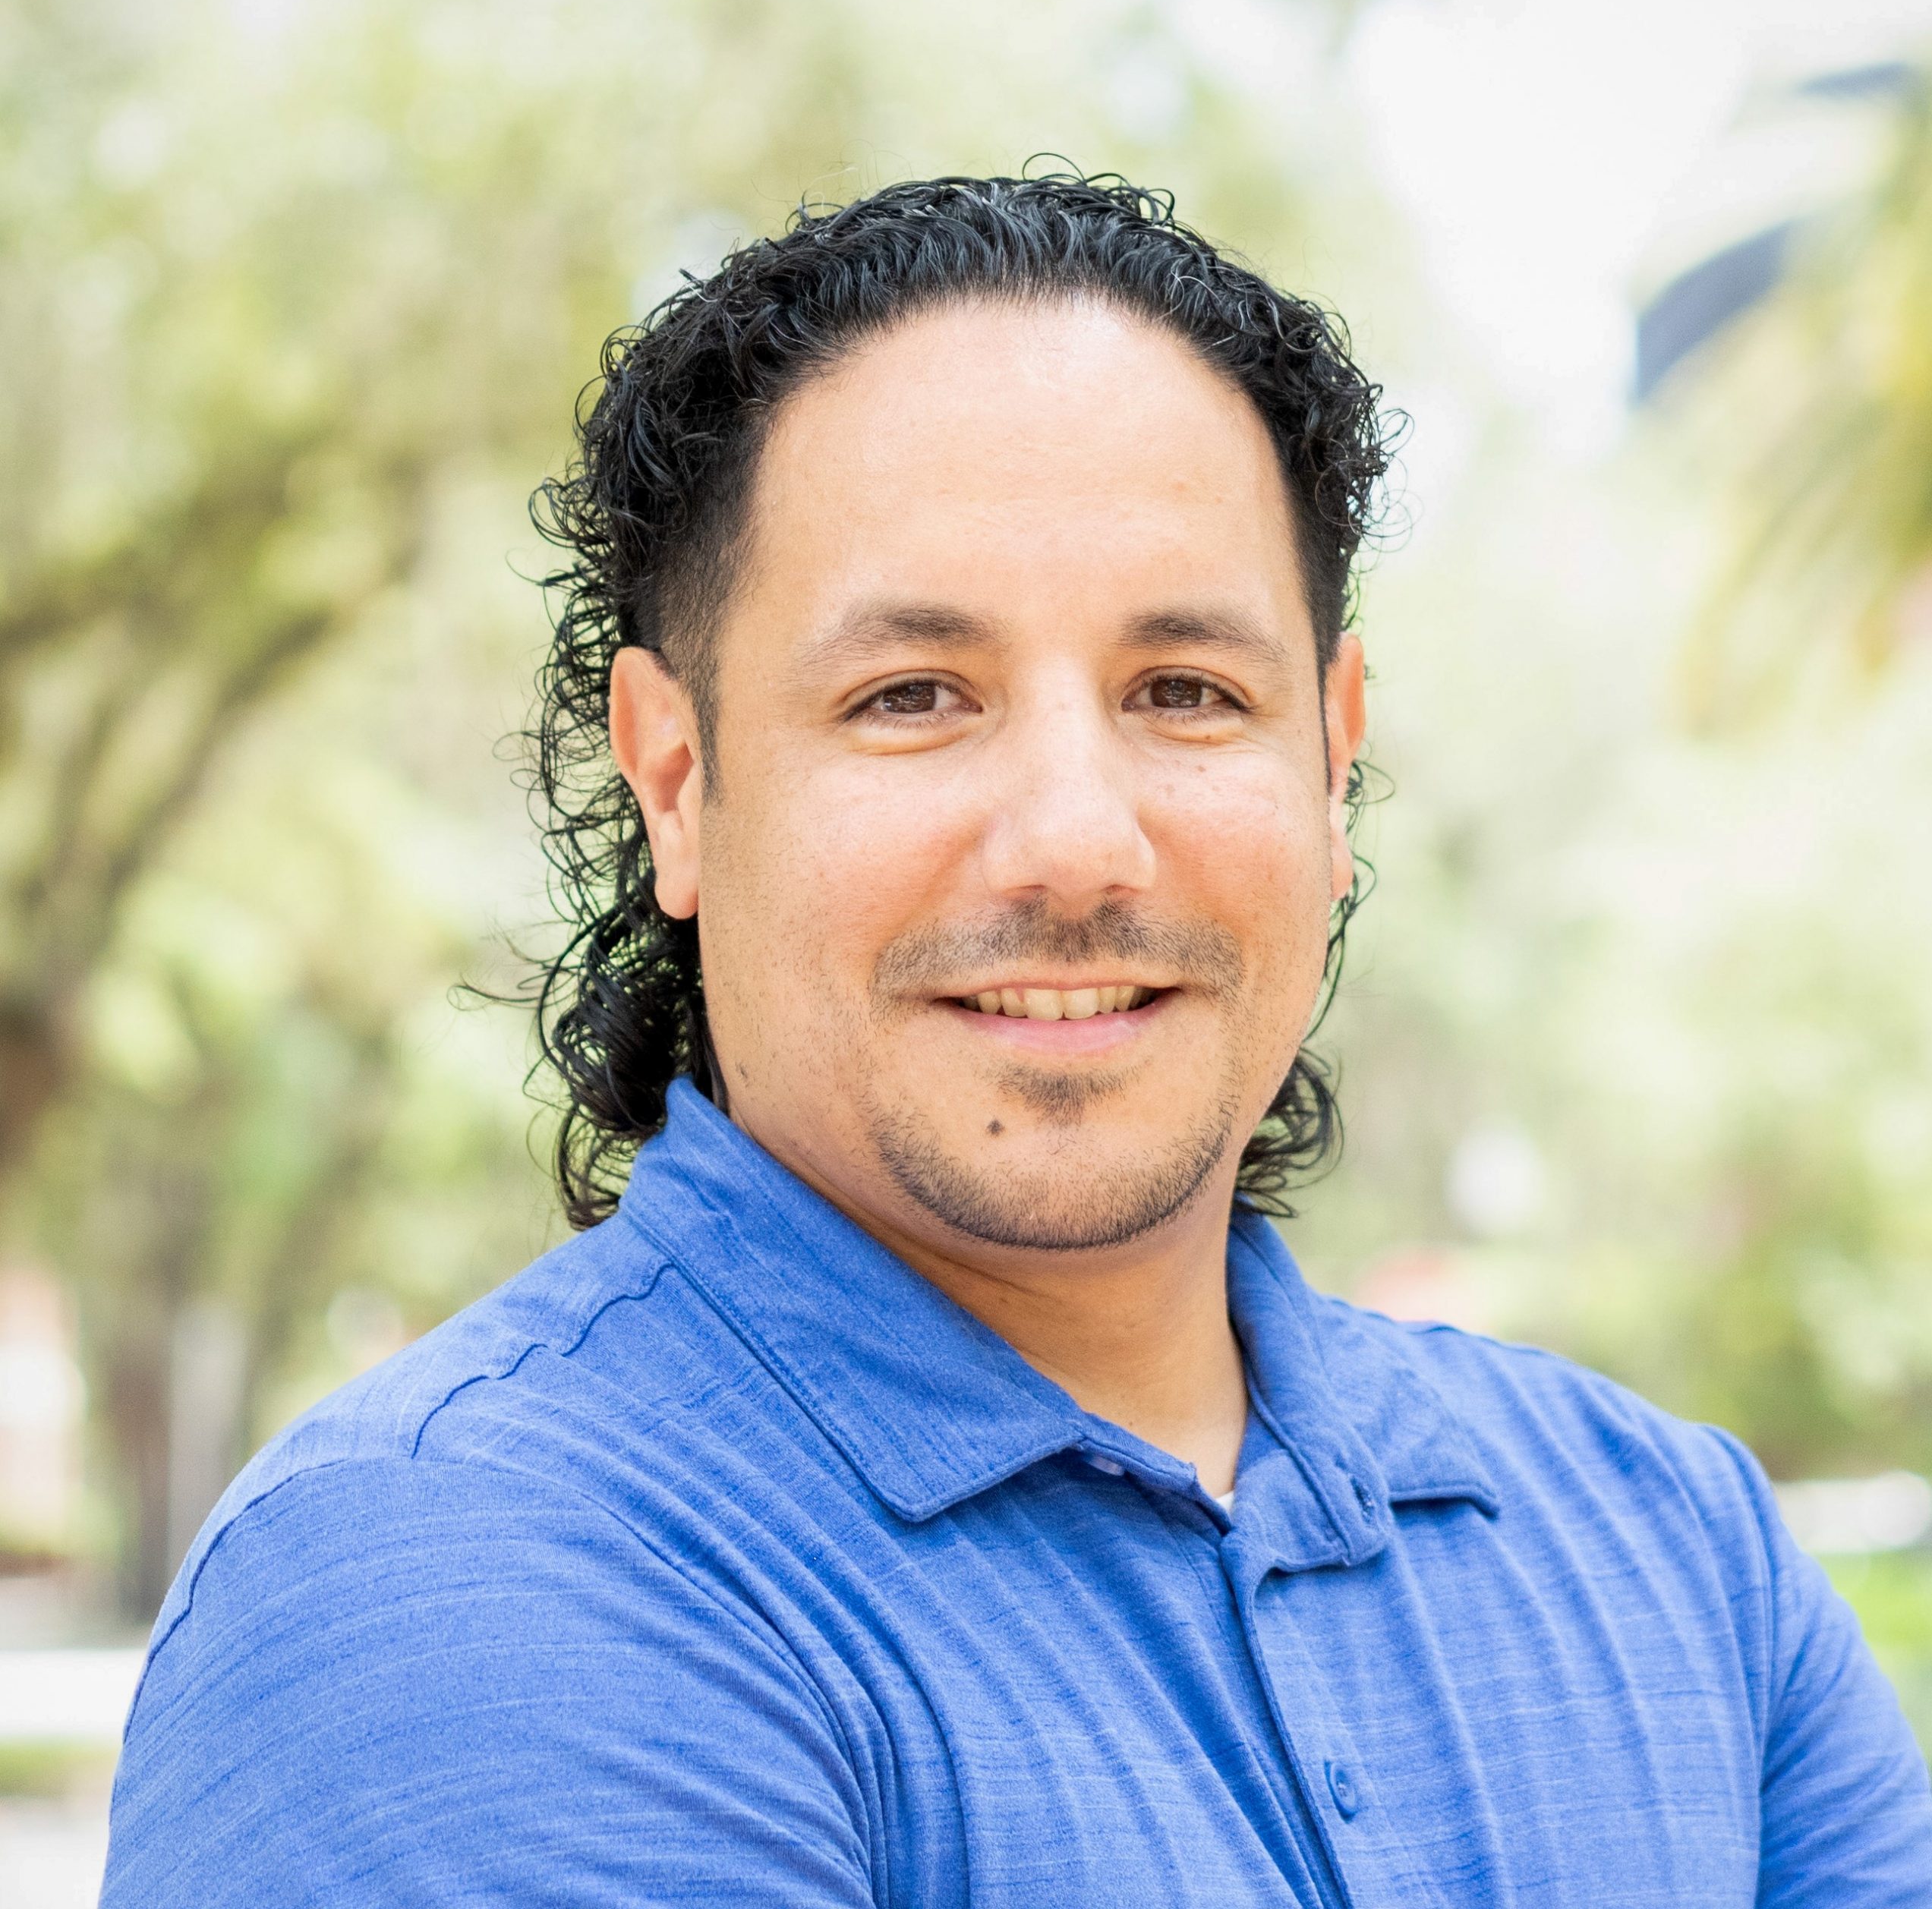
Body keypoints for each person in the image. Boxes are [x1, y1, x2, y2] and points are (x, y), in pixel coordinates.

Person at [104, 173, 1930, 1906]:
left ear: (1331, 752)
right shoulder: (457, 1582)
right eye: (912, 695)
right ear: (676, 774)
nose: (1074, 837)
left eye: (1185, 692)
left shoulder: (1674, 1550)